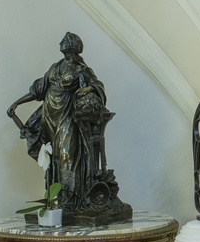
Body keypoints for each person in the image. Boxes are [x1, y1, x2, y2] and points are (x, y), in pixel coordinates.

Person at [7, 31, 131, 225]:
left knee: (68, 155)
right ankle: (57, 200)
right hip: (49, 117)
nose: (61, 41)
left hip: (68, 117)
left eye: (65, 40)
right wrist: (16, 104)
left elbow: (98, 87)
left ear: (72, 46)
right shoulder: (55, 68)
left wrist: (88, 89)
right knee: (53, 158)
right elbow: (37, 91)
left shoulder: (82, 70)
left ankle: (71, 200)